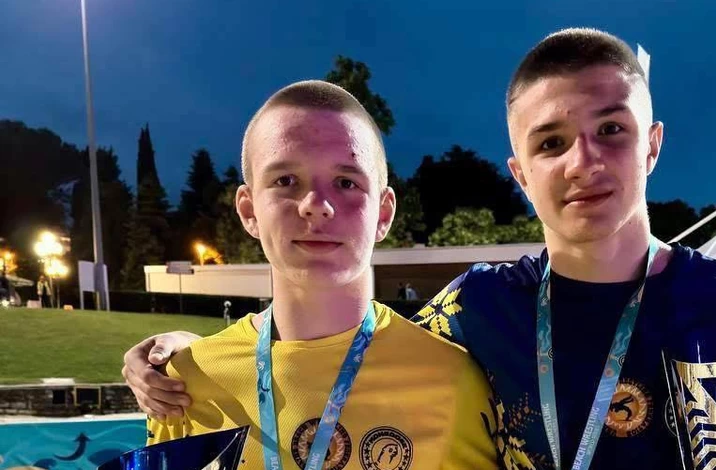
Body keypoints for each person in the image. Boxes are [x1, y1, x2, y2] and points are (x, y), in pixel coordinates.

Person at [122, 29, 716, 469]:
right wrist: (186, 353)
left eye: (611, 130)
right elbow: (338, 343)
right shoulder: (479, 308)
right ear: (520, 172)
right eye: (551, 142)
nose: (583, 162)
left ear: (653, 144)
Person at [139, 80, 498, 469]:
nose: (316, 205)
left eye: (346, 182)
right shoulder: (181, 384)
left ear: (383, 213)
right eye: (286, 181)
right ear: (248, 210)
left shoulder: (450, 380)